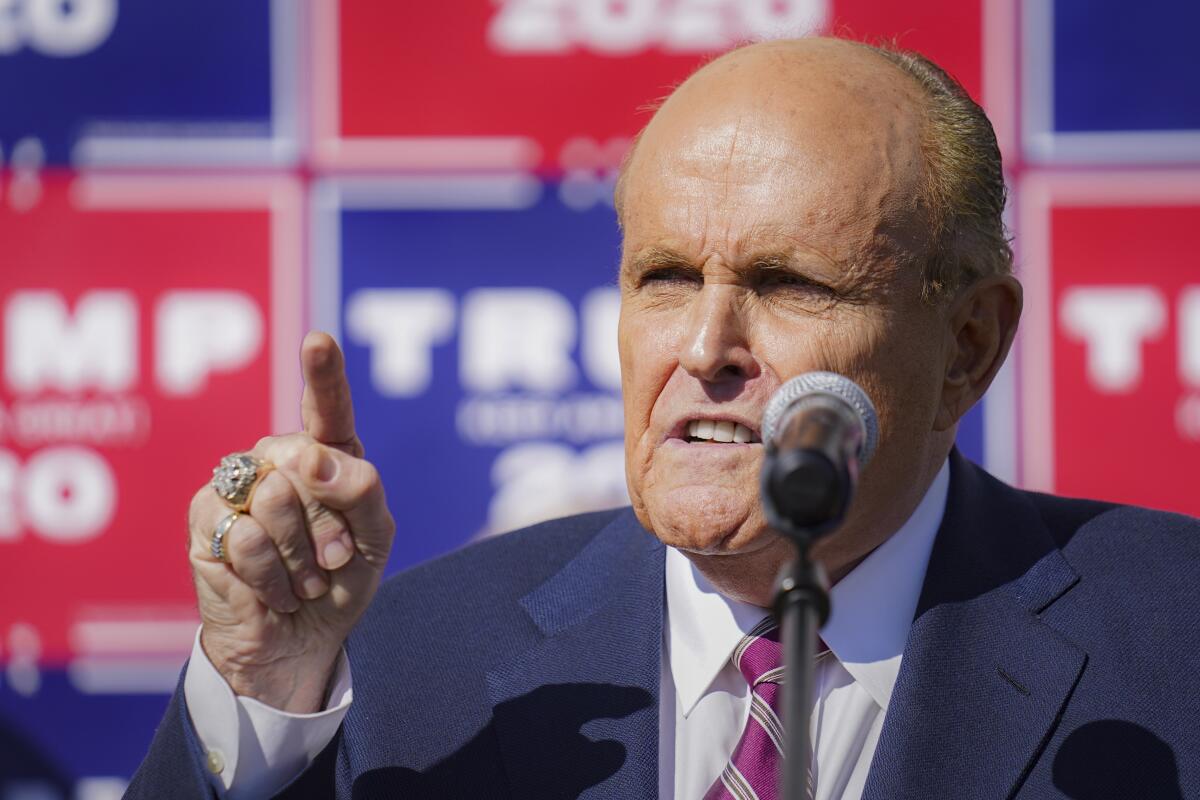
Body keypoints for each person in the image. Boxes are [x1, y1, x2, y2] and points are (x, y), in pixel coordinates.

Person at [127, 37, 1200, 799]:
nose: (703, 347)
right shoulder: (408, 668)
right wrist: (264, 696)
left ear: (968, 341)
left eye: (789, 284)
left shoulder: (1173, 639)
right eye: (666, 278)